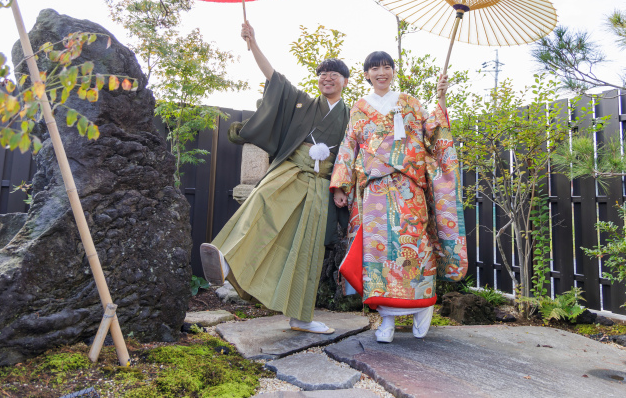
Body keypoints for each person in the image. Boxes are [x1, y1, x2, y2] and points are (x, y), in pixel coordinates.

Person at [200, 21, 350, 334]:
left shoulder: (352, 116)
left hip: (321, 184)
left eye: (334, 74)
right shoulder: (303, 103)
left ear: (345, 81)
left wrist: (342, 186)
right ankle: (226, 260)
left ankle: (301, 316)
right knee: (259, 206)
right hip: (291, 170)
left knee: (306, 248)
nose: (327, 78)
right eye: (323, 73)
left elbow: (356, 151)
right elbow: (274, 78)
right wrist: (253, 43)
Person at [330, 50, 467, 343]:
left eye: (387, 67)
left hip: (408, 186)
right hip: (375, 190)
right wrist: (340, 184)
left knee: (416, 245)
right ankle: (387, 321)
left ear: (393, 71)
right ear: (366, 75)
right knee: (378, 253)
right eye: (375, 68)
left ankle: (422, 308)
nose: (381, 72)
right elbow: (349, 145)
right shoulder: (359, 108)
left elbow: (433, 132)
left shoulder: (409, 102)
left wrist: (441, 98)